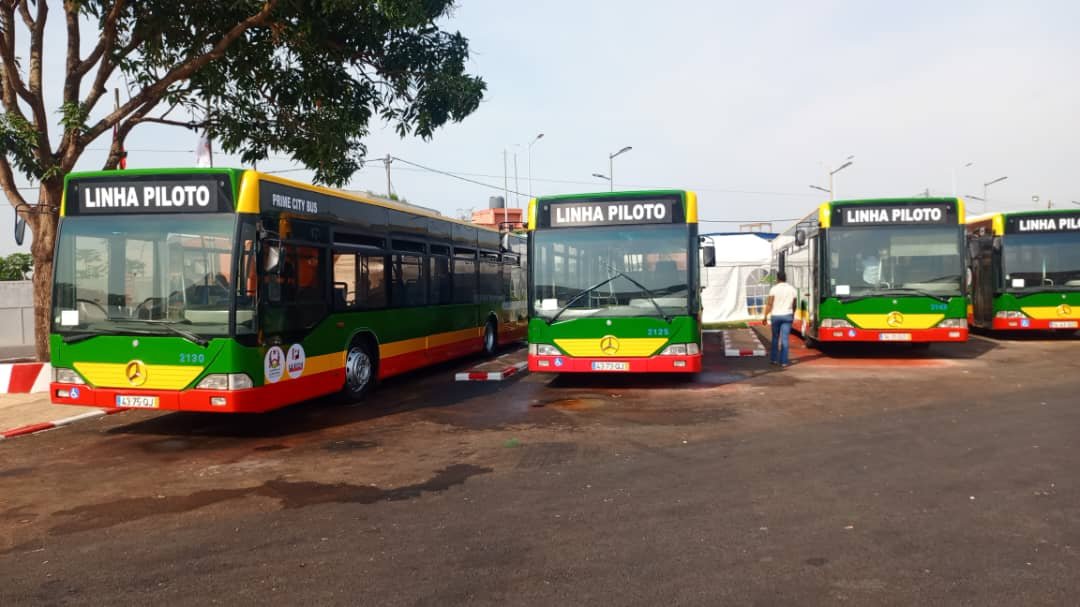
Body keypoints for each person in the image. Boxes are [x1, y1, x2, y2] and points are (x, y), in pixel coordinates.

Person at [763, 270, 798, 367]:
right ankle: (784, 361)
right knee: (785, 339)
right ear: (785, 278)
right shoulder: (792, 289)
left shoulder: (773, 289)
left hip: (776, 316)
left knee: (775, 338)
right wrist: (793, 313)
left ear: (777, 278)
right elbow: (794, 304)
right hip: (788, 315)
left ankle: (774, 359)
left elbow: (770, 304)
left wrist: (765, 316)